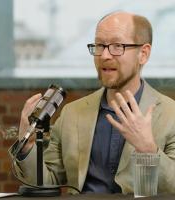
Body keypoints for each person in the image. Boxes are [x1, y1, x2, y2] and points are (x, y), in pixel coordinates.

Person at [9, 11, 175, 194]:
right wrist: (27, 145)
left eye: (117, 46)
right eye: (99, 45)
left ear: (143, 54)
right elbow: (46, 184)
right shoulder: (72, 113)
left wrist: (149, 150)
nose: (104, 55)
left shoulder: (170, 114)